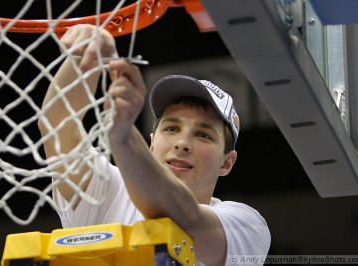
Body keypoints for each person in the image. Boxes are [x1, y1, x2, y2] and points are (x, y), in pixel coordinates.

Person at [38, 24, 270, 266]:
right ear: (150, 144)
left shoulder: (247, 225)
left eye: (203, 135)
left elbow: (184, 221)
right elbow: (58, 128)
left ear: (227, 162)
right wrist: (85, 59)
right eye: (171, 128)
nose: (182, 143)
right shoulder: (111, 191)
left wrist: (124, 135)